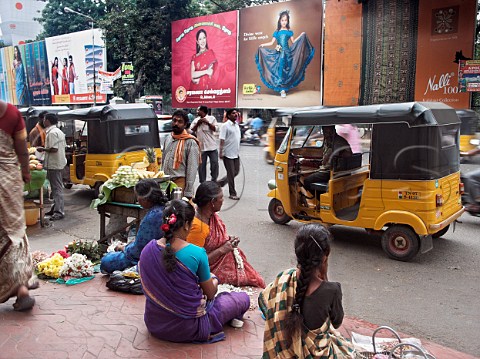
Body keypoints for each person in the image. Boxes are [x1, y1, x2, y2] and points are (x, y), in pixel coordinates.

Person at [138, 199, 250, 343]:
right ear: (186, 225)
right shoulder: (197, 253)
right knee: (242, 299)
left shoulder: (148, 249)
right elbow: (210, 293)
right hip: (189, 328)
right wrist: (215, 279)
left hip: (155, 324)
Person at [258, 223, 354, 358]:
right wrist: (324, 276)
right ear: (325, 256)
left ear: (298, 252)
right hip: (318, 354)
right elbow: (337, 323)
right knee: (346, 348)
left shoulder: (283, 278)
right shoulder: (332, 290)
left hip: (282, 354)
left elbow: (263, 302)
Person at [187, 181, 265, 288]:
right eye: (221, 198)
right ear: (212, 202)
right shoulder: (197, 228)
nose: (223, 201)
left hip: (224, 261)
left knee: (257, 280)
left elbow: (216, 239)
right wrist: (222, 249)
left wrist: (227, 241)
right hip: (209, 270)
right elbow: (197, 263)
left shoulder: (210, 216)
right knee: (255, 281)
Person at [0, 100, 37, 311]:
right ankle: (22, 290)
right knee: (15, 235)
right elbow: (22, 149)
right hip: (8, 180)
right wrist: (25, 172)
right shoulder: (12, 113)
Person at [100, 179, 167, 274]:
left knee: (106, 261)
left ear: (145, 199)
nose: (137, 200)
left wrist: (124, 248)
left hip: (150, 257)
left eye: (137, 196)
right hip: (160, 253)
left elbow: (139, 250)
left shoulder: (153, 216)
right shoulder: (162, 209)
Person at [256, 10, 315, 98]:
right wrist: (263, 44)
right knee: (279, 70)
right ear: (279, 21)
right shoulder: (277, 32)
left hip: (287, 53)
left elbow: (294, 42)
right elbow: (272, 43)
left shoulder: (289, 31)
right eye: (282, 20)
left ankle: (283, 89)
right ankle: (282, 90)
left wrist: (301, 35)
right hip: (279, 53)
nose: (284, 22)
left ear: (288, 21)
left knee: (285, 71)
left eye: (286, 20)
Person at [303, 125, 353, 196]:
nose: (326, 133)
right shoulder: (329, 141)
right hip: (332, 169)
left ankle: (321, 199)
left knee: (307, 180)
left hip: (333, 171)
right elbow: (326, 158)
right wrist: (310, 161)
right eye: (324, 131)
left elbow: (331, 159)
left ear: (333, 130)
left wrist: (321, 165)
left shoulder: (338, 142)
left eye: (328, 131)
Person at [162, 110, 200, 199]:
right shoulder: (168, 138)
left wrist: (188, 192)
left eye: (180, 121)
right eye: (174, 120)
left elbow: (192, 168)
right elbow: (164, 160)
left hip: (180, 184)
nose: (176, 123)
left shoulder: (190, 142)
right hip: (166, 183)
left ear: (185, 125)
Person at [37, 113, 67, 220]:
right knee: (55, 188)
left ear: (48, 121)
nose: (43, 121)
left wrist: (42, 149)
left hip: (54, 164)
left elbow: (54, 149)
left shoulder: (52, 133)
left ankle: (59, 212)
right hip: (57, 163)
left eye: (44, 119)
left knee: (57, 188)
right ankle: (55, 209)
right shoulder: (58, 132)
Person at [191, 105, 219, 183]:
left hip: (212, 146)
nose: (197, 112)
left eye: (198, 110)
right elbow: (191, 131)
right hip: (201, 147)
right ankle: (202, 182)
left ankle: (214, 180)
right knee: (201, 166)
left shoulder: (212, 118)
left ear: (202, 111)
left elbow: (216, 129)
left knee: (214, 163)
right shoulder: (196, 120)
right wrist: (198, 124)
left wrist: (208, 123)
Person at [218, 109, 241, 200]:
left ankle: (220, 183)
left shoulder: (236, 125)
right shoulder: (225, 126)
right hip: (227, 154)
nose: (235, 114)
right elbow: (222, 140)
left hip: (235, 153)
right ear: (228, 115)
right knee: (231, 174)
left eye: (236, 113)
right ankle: (232, 193)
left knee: (236, 171)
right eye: (233, 113)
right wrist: (221, 152)